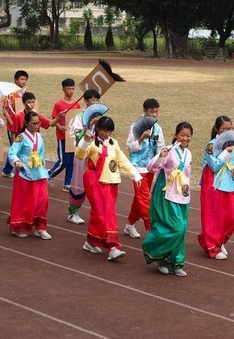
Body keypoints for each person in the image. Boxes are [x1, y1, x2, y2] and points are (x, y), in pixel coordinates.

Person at [75, 116, 142, 261]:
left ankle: (91, 241)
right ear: (98, 129)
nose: (107, 134)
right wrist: (85, 141)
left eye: (109, 131)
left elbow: (122, 160)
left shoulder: (114, 143)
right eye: (104, 130)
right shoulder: (92, 142)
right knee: (105, 213)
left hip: (111, 181)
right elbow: (79, 155)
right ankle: (112, 246)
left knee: (100, 212)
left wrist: (135, 175)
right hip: (94, 180)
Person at [142, 122, 194, 277]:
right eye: (182, 135)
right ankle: (156, 252)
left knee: (182, 229)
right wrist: (160, 156)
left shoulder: (189, 153)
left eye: (188, 136)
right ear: (176, 135)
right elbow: (150, 167)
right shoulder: (169, 151)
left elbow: (187, 175)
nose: (185, 138)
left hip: (182, 194)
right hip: (167, 192)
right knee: (175, 227)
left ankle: (176, 262)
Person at [198, 116, 234, 260]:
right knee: (214, 216)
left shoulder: (231, 144)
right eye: (224, 129)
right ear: (217, 129)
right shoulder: (211, 145)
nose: (228, 132)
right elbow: (215, 166)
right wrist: (226, 152)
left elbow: (232, 165)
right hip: (214, 183)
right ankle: (213, 247)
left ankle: (220, 240)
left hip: (230, 182)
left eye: (230, 129)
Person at [124, 98, 165, 239]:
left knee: (139, 198)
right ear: (144, 111)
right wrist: (141, 138)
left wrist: (160, 164)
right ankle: (153, 229)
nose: (154, 114)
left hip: (150, 168)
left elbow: (160, 149)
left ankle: (130, 224)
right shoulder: (136, 127)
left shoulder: (158, 128)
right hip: (137, 168)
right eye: (151, 111)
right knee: (145, 198)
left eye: (156, 111)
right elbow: (129, 146)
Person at [8, 111, 52, 240]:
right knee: (25, 201)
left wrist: (44, 169)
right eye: (33, 123)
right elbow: (12, 152)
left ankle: (40, 227)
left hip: (39, 172)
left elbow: (42, 154)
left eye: (38, 123)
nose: (36, 126)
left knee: (42, 200)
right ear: (26, 123)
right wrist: (17, 161)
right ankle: (20, 226)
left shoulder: (40, 137)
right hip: (25, 173)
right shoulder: (21, 137)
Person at [66, 89, 101, 225]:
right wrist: (91, 124)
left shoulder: (101, 116)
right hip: (82, 154)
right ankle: (73, 212)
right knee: (79, 184)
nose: (94, 102)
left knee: (97, 184)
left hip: (97, 155)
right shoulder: (79, 116)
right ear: (86, 101)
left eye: (97, 100)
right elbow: (77, 135)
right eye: (91, 100)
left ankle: (97, 213)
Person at [48, 78, 77, 192]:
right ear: (63, 89)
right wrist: (60, 127)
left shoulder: (76, 103)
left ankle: (67, 183)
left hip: (73, 137)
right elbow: (53, 120)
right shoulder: (58, 104)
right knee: (64, 161)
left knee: (72, 161)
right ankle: (50, 173)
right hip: (62, 137)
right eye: (69, 89)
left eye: (73, 89)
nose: (71, 91)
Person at [2, 70, 29, 178]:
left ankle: (7, 170)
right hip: (12, 127)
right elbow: (4, 110)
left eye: (25, 80)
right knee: (15, 147)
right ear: (15, 80)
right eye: (21, 79)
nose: (24, 82)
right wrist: (12, 123)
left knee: (18, 148)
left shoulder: (24, 94)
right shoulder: (10, 94)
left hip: (23, 127)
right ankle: (11, 170)